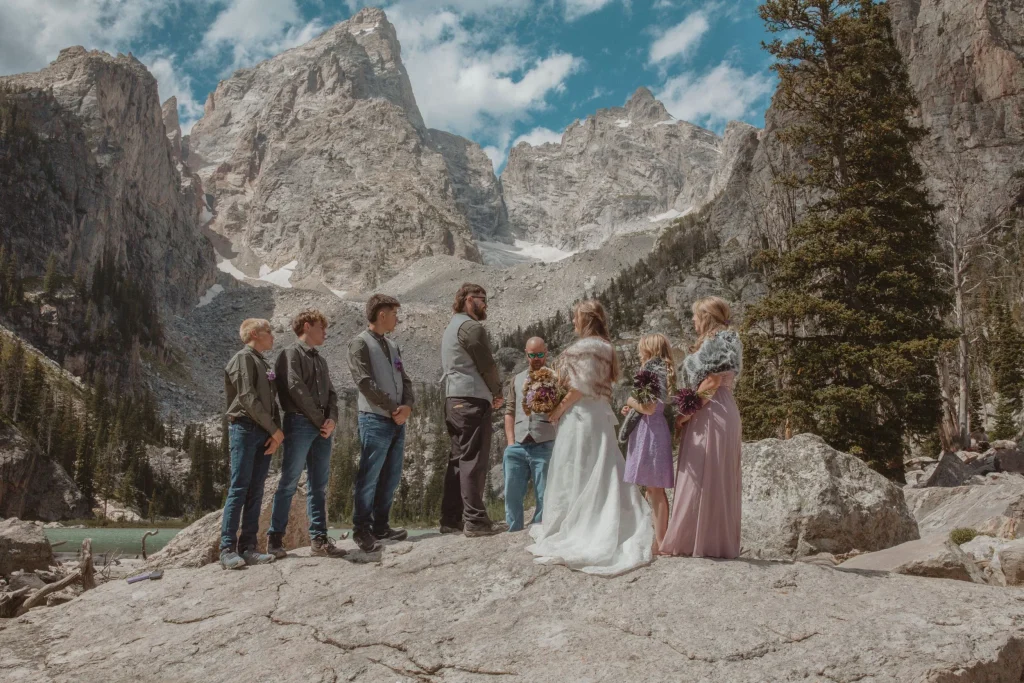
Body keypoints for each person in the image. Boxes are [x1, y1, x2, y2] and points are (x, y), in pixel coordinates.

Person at [526, 300, 653, 576]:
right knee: (602, 466)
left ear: (585, 319)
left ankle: (579, 524)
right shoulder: (607, 347)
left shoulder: (585, 347)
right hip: (599, 415)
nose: (573, 322)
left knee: (576, 468)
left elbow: (578, 388)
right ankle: (604, 516)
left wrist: (557, 409)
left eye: (575, 318)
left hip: (580, 416)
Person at [660, 296, 743, 559]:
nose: (693, 320)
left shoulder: (717, 341)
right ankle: (711, 541)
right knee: (714, 474)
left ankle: (692, 541)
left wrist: (686, 413)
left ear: (705, 317)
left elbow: (712, 382)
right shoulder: (727, 340)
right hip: (721, 409)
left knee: (701, 474)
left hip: (712, 412)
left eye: (695, 315)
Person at [267, 309, 347, 559]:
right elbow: (295, 388)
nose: (325, 333)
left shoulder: (320, 360)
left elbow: (332, 393)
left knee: (319, 485)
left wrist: (332, 419)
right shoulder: (290, 354)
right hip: (300, 422)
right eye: (322, 327)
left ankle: (318, 540)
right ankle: (275, 539)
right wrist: (322, 421)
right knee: (289, 481)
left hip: (321, 427)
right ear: (307, 326)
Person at [439, 283, 507, 537]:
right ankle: (476, 520)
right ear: (468, 299)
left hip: (453, 398)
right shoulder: (471, 327)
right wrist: (497, 392)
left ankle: (451, 518)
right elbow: (487, 364)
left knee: (458, 459)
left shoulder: (452, 326)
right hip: (471, 399)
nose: (485, 303)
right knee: (474, 458)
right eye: (481, 298)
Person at [348, 294, 414, 552]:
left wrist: (407, 406)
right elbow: (364, 382)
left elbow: (404, 379)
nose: (397, 318)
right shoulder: (359, 343)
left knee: (391, 475)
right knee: (369, 476)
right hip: (374, 418)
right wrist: (392, 408)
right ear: (381, 315)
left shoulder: (393, 345)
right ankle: (361, 529)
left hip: (396, 420)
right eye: (394, 313)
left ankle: (381, 525)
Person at [220, 319, 284, 569]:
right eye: (269, 332)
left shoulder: (262, 362)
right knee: (239, 488)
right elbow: (247, 397)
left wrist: (275, 433)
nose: (273, 336)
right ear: (255, 334)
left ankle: (248, 547)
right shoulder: (243, 358)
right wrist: (275, 430)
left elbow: (272, 402)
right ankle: (227, 549)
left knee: (256, 489)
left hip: (263, 432)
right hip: (245, 429)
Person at [620, 333, 675, 553]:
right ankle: (658, 538)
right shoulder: (661, 369)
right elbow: (650, 405)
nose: (639, 350)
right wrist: (633, 408)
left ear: (649, 349)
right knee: (652, 489)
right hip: (652, 428)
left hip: (651, 431)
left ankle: (661, 542)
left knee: (655, 489)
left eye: (641, 346)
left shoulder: (652, 369)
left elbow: (649, 408)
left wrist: (630, 400)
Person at [502, 337, 556, 532]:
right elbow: (509, 411)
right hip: (518, 444)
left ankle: (539, 526)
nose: (536, 358)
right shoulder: (516, 379)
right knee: (512, 492)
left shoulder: (555, 377)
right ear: (526, 354)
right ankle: (513, 527)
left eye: (540, 354)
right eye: (533, 355)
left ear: (546, 353)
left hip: (545, 442)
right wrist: (510, 442)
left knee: (544, 492)